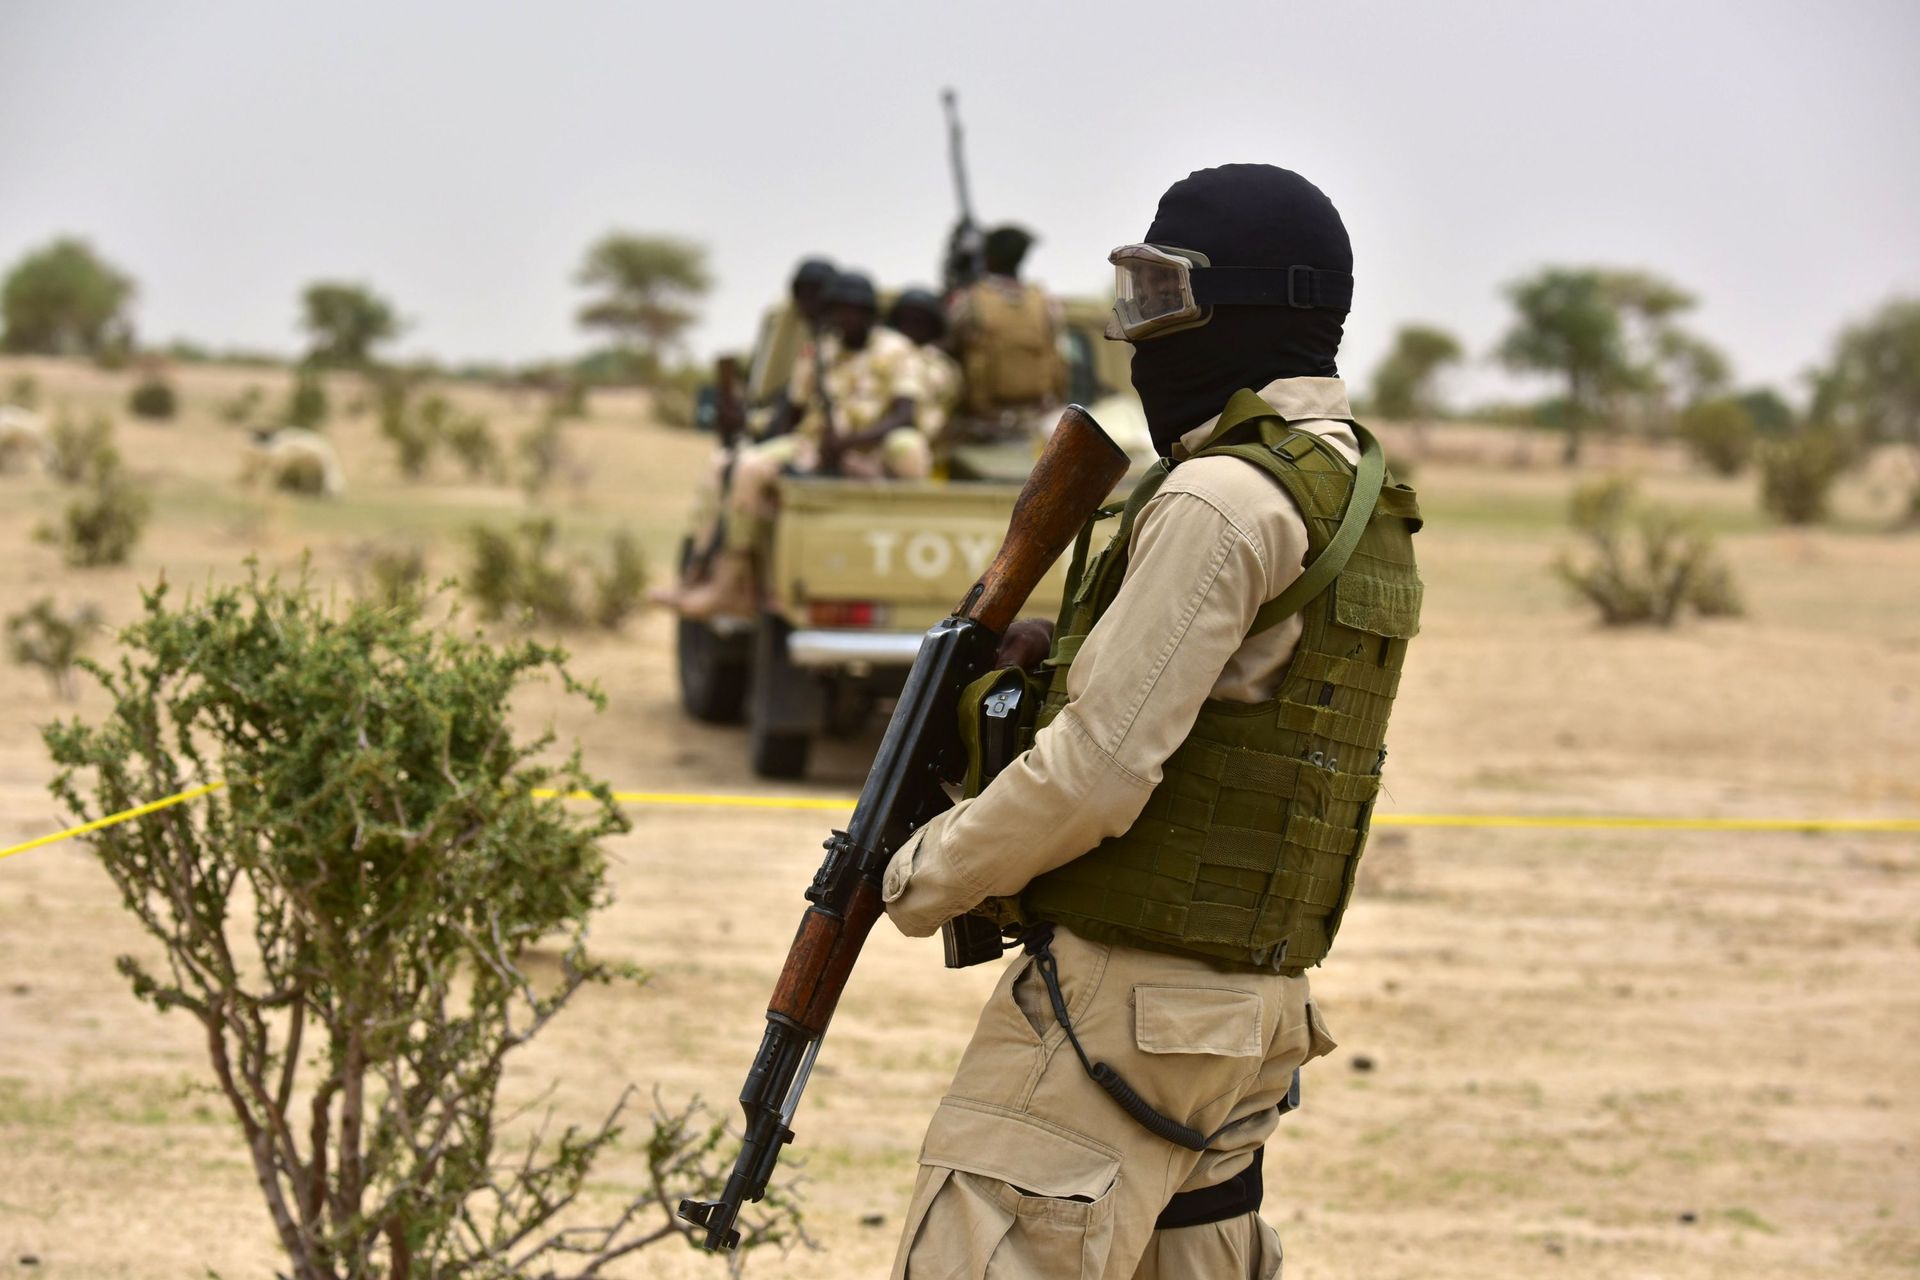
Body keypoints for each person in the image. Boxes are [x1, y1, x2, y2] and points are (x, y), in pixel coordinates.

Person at [882, 164, 1423, 1278]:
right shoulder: (1356, 489)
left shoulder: (1218, 497)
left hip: (1126, 1009)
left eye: (1165, 298)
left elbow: (1096, 771)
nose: (1143, 333)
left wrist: (915, 871)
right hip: (1249, 1015)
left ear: (1251, 308)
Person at [669, 271, 937, 619]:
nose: (846, 319)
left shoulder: (896, 351)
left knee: (910, 445)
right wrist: (759, 438)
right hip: (814, 446)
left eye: (854, 311)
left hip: (873, 448)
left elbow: (906, 415)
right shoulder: (819, 351)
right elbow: (792, 414)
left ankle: (908, 523)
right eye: (839, 311)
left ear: (870, 314)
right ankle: (727, 582)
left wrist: (849, 444)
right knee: (746, 467)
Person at [946, 224, 1068, 438]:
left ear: (987, 258)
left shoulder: (970, 300)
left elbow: (948, 347)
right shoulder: (1045, 302)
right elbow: (1061, 361)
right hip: (1038, 424)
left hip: (982, 426)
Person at [886, 287, 963, 446]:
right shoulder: (883, 356)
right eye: (905, 320)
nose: (911, 328)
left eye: (919, 322)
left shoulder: (943, 366)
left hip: (925, 445)